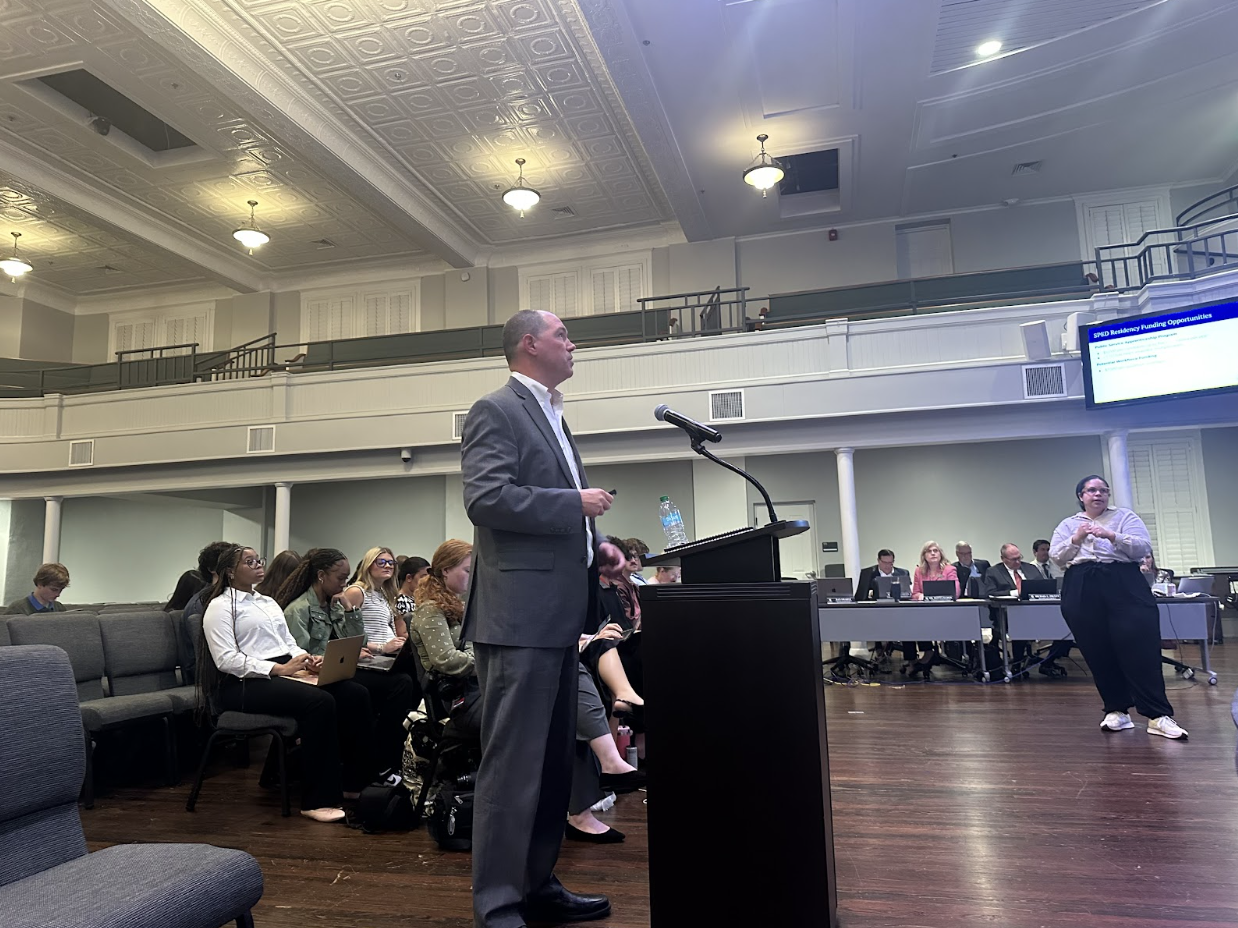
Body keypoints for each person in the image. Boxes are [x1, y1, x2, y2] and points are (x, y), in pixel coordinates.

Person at [461, 309, 625, 928]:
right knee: (513, 765)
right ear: (529, 345)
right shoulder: (497, 410)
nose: (572, 342)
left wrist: (598, 547)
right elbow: (485, 498)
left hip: (559, 614)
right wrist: (574, 503)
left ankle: (537, 883)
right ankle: (499, 902)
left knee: (556, 762)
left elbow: (563, 512)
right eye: (562, 335)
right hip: (518, 617)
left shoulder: (554, 414)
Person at [197, 545, 376, 822]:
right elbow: (226, 660)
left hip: (281, 669)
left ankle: (352, 783)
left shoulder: (266, 602)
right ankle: (316, 800)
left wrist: (305, 659)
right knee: (319, 701)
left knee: (354, 693)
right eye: (249, 561)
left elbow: (287, 642)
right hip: (240, 684)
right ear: (230, 572)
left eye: (259, 559)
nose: (258, 564)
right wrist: (278, 669)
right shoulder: (219, 607)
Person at [1049, 475, 1186, 739]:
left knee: (1141, 647)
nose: (1097, 494)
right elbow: (1057, 557)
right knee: (1096, 649)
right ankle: (1116, 710)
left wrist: (1112, 535)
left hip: (1123, 580)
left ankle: (1157, 715)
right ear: (1081, 496)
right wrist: (1076, 539)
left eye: (1103, 490)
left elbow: (1142, 548)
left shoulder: (1125, 517)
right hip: (1081, 584)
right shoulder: (1068, 525)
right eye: (1091, 490)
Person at [278, 548, 415, 782]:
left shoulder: (335, 604)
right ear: (321, 576)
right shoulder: (298, 610)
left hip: (340, 669)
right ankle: (363, 771)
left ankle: (385, 758)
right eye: (341, 578)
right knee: (361, 694)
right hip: (315, 677)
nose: (345, 583)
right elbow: (302, 657)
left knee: (403, 681)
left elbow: (358, 640)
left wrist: (350, 611)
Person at [409, 540, 481, 738]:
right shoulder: (431, 609)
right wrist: (488, 664)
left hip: (472, 687)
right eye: (467, 570)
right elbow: (446, 660)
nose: (472, 576)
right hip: (458, 696)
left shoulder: (458, 604)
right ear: (446, 570)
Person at [180, 541, 235, 684]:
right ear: (212, 569)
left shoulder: (236, 598)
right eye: (230, 563)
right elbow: (206, 657)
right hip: (209, 673)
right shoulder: (200, 605)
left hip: (232, 666)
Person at [343, 547, 406, 652]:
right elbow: (345, 635)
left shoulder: (384, 594)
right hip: (370, 658)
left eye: (391, 563)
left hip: (386, 655)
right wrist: (381, 648)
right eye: (381, 562)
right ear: (368, 565)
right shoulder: (356, 592)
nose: (387, 566)